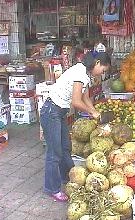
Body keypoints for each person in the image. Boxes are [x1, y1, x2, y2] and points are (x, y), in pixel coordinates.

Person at [40, 51, 111, 202]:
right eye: (103, 70)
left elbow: (85, 97)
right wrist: (91, 113)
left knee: (66, 147)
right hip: (52, 111)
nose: (101, 73)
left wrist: (94, 112)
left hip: (58, 112)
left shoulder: (84, 73)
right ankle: (52, 188)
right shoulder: (80, 73)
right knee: (55, 152)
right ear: (97, 63)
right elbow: (76, 102)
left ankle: (68, 178)